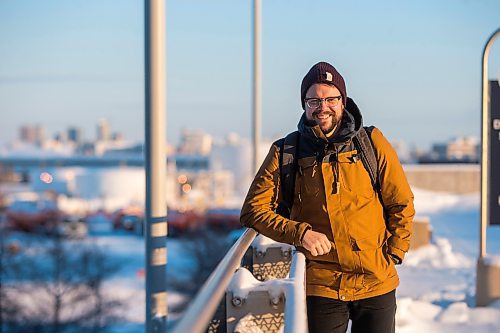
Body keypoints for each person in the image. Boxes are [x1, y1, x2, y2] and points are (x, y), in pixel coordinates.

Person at [240, 61, 415, 333]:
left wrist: (395, 252)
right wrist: (300, 233)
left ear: (342, 101)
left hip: (376, 280)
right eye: (314, 100)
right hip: (322, 284)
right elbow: (253, 210)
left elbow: (400, 201)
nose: (323, 107)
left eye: (330, 98)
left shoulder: (371, 142)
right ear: (304, 104)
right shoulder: (287, 150)